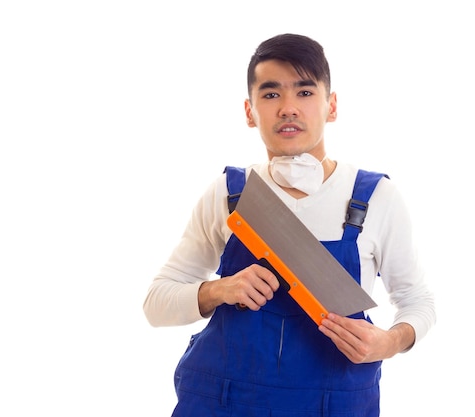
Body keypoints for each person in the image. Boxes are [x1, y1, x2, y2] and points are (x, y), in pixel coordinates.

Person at [143, 33, 436, 417]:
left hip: (334, 404)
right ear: (250, 112)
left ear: (331, 106)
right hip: (225, 402)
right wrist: (218, 290)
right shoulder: (229, 194)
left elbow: (418, 302)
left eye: (304, 92)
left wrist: (389, 342)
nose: (287, 108)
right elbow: (155, 304)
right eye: (270, 94)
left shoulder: (374, 198)